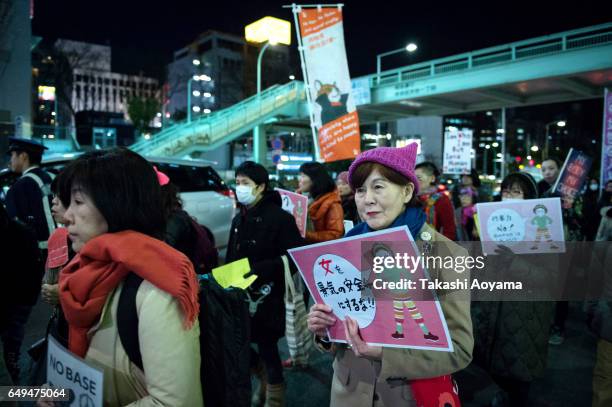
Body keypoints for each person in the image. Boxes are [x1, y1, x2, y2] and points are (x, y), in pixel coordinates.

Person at [307, 143, 473, 406]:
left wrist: (386, 354)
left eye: (378, 187)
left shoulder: (445, 253)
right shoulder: (344, 247)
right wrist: (324, 330)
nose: (367, 199)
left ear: (407, 191)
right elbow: (338, 329)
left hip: (406, 395)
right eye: (360, 189)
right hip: (347, 391)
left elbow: (460, 350)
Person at [54, 148, 202, 406]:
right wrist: (55, 394)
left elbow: (173, 403)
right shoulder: (83, 272)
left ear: (115, 205)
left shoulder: (157, 289)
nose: (67, 216)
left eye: (78, 202)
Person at [469, 172, 557, 406]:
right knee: (492, 363)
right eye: (506, 191)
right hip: (492, 306)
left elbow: (551, 277)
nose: (509, 196)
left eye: (516, 192)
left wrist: (513, 263)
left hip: (525, 312)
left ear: (529, 198)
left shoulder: (546, 229)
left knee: (518, 370)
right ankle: (505, 394)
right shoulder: (495, 220)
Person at [225, 161, 304, 407]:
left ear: (260, 187)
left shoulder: (280, 219)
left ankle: (275, 393)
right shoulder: (239, 219)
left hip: (268, 296)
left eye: (245, 184)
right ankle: (263, 377)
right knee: (238, 344)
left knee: (268, 348)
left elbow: (293, 257)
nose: (240, 188)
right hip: (239, 294)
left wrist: (259, 270)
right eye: (237, 183)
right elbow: (230, 257)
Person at [2, 137, 54, 384]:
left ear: (23, 157)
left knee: (14, 324)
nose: (10, 160)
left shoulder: (20, 187)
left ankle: (16, 380)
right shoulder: (49, 179)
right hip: (54, 257)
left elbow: (12, 236)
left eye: (12, 155)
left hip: (27, 264)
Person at [298, 162, 344, 243]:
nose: (299, 180)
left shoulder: (332, 203)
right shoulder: (300, 199)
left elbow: (335, 234)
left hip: (319, 252)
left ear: (315, 179)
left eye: (303, 176)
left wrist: (306, 235)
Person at [415, 161, 457, 240]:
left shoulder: (442, 200)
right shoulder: (411, 198)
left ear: (432, 178)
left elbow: (449, 230)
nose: (415, 181)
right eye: (413, 178)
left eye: (419, 178)